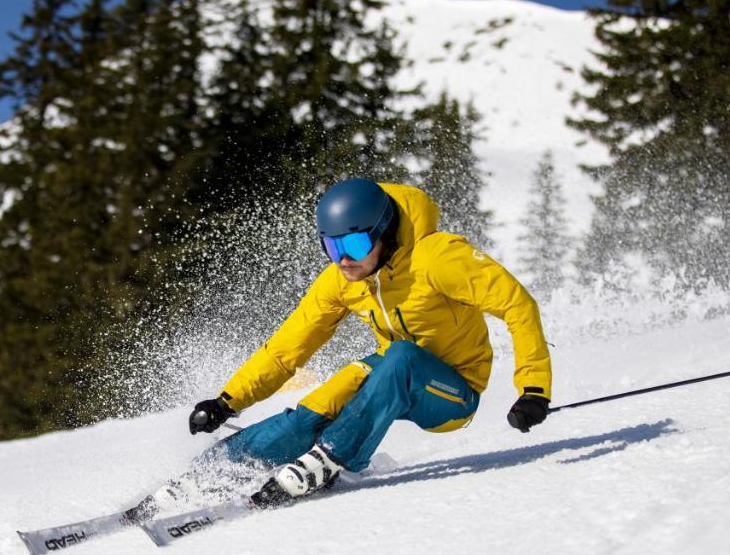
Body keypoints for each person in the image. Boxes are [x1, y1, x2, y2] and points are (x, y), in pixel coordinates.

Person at [174, 178, 554, 509]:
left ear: (384, 232)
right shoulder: (342, 280)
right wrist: (228, 401)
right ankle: (220, 468)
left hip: (453, 393)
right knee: (320, 404)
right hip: (391, 375)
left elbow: (516, 303)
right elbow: (287, 347)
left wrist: (534, 389)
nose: (343, 260)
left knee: (402, 356)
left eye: (354, 246)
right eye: (332, 247)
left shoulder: (437, 258)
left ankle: (331, 457)